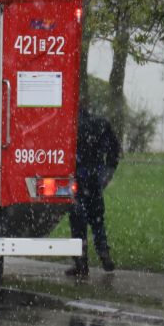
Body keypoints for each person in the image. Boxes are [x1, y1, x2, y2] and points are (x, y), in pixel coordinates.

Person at [68, 100, 121, 276]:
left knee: (78, 221)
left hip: (77, 179)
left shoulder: (71, 126)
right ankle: (104, 252)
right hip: (95, 179)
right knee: (97, 219)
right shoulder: (100, 124)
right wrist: (106, 173)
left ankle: (81, 262)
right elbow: (114, 150)